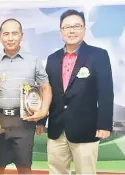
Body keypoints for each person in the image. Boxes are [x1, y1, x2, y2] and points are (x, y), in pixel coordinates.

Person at [43, 9, 114, 174]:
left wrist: (104, 124)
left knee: (86, 171)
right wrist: (41, 121)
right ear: (61, 31)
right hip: (57, 128)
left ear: (84, 29)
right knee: (56, 171)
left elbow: (106, 92)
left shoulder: (98, 55)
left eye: (76, 26)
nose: (72, 30)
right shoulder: (52, 58)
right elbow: (47, 92)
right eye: (67, 27)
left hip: (86, 129)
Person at [0, 18, 52, 174]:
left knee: (24, 168)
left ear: (21, 35)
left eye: (14, 33)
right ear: (0, 37)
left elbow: (45, 87)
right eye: (6, 34)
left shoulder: (34, 61)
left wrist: (43, 111)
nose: (10, 38)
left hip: (24, 121)